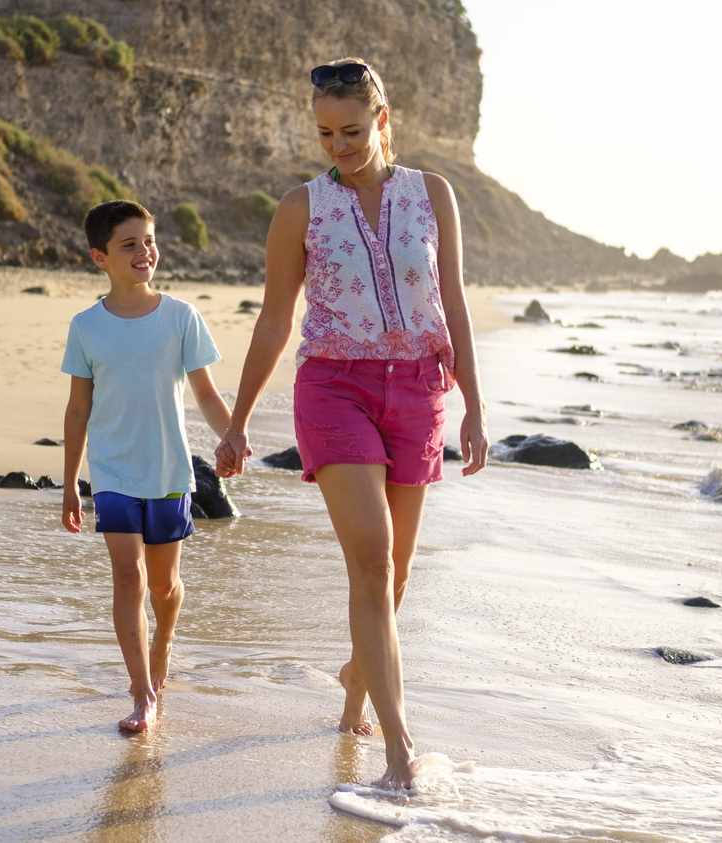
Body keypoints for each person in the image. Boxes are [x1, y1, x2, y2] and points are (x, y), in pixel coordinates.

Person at [214, 57, 490, 788]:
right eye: (325, 132)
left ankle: (357, 672)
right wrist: (238, 420)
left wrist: (475, 405)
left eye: (352, 130)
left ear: (383, 120)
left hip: (420, 389)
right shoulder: (298, 208)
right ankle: (399, 749)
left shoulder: (433, 194)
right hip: (333, 387)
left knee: (395, 571)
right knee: (370, 557)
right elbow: (275, 320)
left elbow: (453, 302)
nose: (338, 145)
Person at [61, 200, 233, 733]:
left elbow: (204, 392)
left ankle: (163, 645)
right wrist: (70, 483)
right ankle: (141, 693)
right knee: (127, 578)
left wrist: (231, 435)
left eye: (150, 241)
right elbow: (78, 407)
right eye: (129, 244)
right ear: (100, 257)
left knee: (164, 587)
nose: (144, 252)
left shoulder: (181, 316)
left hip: (168, 472)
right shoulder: (86, 326)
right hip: (113, 472)